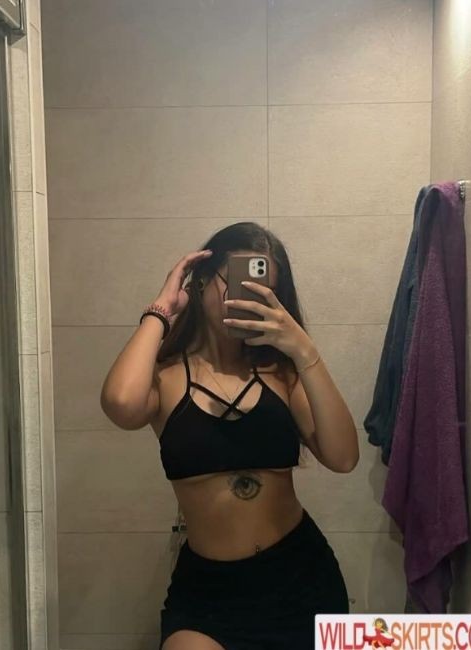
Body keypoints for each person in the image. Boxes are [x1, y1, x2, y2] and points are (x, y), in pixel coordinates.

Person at [100, 222, 359, 650]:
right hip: (209, 594)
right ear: (202, 279)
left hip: (301, 578)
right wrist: (162, 309)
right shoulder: (165, 377)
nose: (246, 299)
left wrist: (304, 350)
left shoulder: (282, 373)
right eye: (236, 284)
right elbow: (121, 405)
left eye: (263, 293)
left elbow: (343, 457)